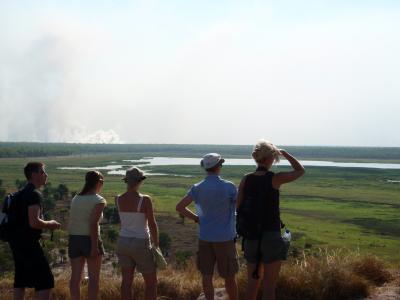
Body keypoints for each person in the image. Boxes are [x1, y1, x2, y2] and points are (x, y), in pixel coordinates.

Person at [237, 140, 305, 300]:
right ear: (271, 158)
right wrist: (286, 154)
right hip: (271, 236)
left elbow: (237, 207)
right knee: (269, 286)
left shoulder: (246, 179)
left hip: (251, 236)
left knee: (252, 284)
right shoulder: (275, 178)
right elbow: (300, 170)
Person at [176, 153, 239, 300]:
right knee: (229, 276)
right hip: (225, 238)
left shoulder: (197, 187)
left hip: (205, 237)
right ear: (218, 166)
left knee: (207, 275)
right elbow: (238, 206)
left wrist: (196, 218)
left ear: (205, 168)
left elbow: (180, 207)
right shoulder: (229, 187)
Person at [7, 162, 61, 300]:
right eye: (43, 172)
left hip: (15, 242)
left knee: (20, 278)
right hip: (29, 243)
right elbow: (34, 222)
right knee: (46, 281)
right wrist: (51, 224)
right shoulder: (34, 194)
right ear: (34, 175)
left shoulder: (19, 194)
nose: (46, 175)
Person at [115, 167, 159, 300]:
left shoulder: (118, 198)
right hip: (140, 242)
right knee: (151, 283)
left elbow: (123, 221)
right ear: (140, 181)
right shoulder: (145, 200)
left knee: (126, 283)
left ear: (126, 181)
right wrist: (156, 244)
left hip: (123, 241)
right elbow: (152, 223)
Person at [68, 171, 107, 300]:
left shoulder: (76, 198)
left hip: (74, 238)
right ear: (99, 182)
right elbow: (93, 224)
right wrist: (94, 247)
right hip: (90, 239)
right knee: (94, 280)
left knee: (76, 278)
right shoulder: (99, 200)